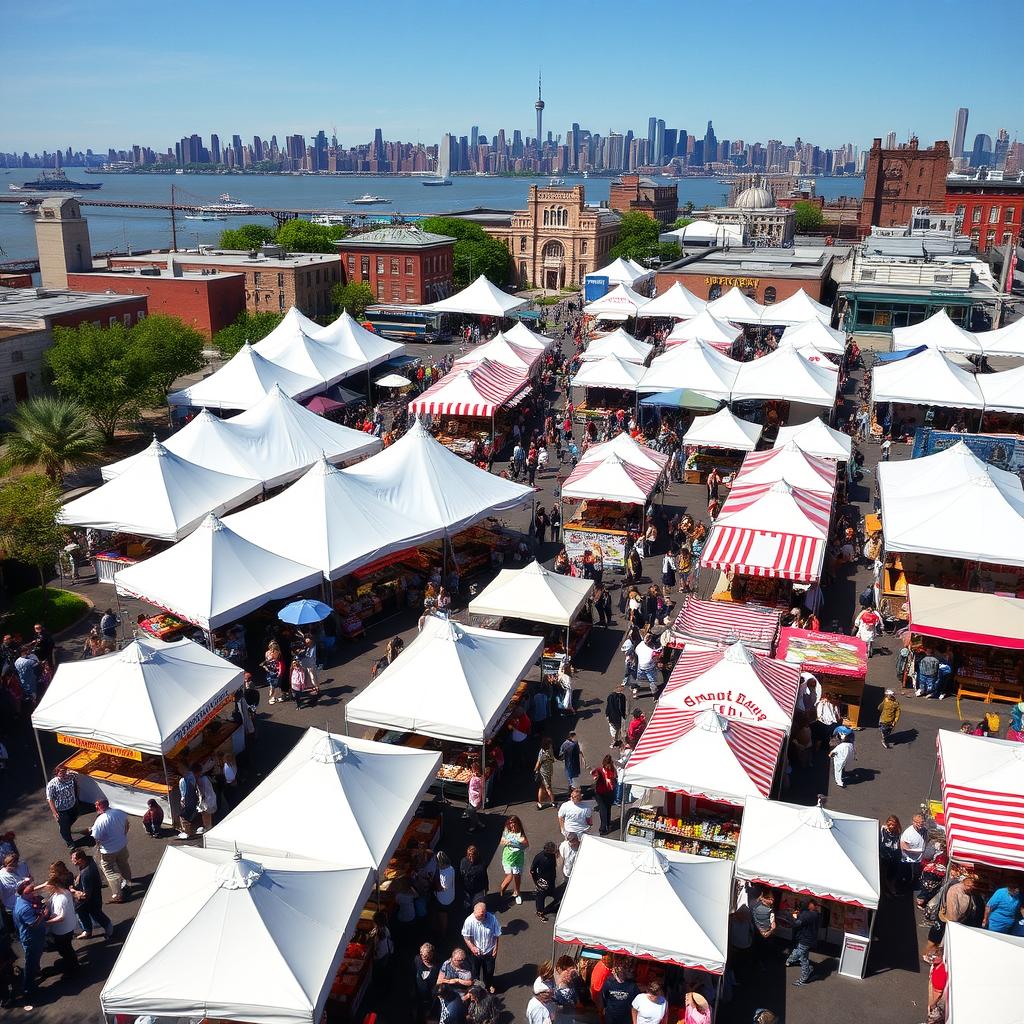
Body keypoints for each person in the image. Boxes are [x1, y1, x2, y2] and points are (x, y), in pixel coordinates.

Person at [38, 861, 79, 975]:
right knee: (66, 948)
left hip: (63, 930)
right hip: (66, 927)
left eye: (49, 887)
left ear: (54, 885)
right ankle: (71, 964)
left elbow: (61, 917)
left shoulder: (62, 898)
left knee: (65, 949)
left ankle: (73, 970)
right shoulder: (61, 893)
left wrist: (46, 923)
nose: (47, 889)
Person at [90, 797, 132, 901]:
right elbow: (127, 825)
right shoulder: (119, 813)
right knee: (124, 864)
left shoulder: (99, 821)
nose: (95, 807)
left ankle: (117, 895)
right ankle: (128, 883)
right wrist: (123, 835)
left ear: (100, 806)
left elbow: (96, 837)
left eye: (96, 805)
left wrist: (99, 846)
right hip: (122, 846)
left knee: (108, 870)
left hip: (108, 850)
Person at [13, 878, 46, 1003]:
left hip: (32, 937)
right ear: (24, 893)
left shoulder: (20, 899)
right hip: (32, 938)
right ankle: (29, 987)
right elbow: (33, 925)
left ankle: (34, 974)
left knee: (33, 960)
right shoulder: (25, 909)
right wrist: (42, 914)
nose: (34, 892)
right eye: (31, 891)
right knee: (30, 963)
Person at [69, 848, 113, 940]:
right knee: (82, 911)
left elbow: (86, 895)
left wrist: (73, 891)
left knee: (96, 914)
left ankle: (109, 930)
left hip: (92, 900)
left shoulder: (87, 874)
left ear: (80, 860)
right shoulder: (88, 861)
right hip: (92, 896)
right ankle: (87, 931)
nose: (72, 861)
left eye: (74, 860)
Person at [461, 901, 501, 992]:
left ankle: (489, 984)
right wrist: (472, 947)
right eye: (477, 916)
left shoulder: (492, 919)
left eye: (480, 916)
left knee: (489, 971)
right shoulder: (469, 921)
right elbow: (466, 937)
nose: (478, 918)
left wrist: (496, 948)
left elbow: (497, 934)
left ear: (485, 913)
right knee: (475, 971)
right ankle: (477, 988)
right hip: (476, 953)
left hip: (489, 950)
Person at [45, 764, 80, 850]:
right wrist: (55, 813)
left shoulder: (71, 777)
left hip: (72, 805)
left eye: (65, 771)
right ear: (57, 773)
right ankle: (69, 841)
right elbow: (50, 799)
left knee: (74, 818)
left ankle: (66, 825)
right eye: (61, 772)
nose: (64, 774)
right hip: (62, 810)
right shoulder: (52, 784)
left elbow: (78, 777)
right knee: (65, 829)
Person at [786, 898, 820, 986]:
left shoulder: (809, 915)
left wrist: (790, 916)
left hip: (805, 939)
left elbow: (796, 923)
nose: (813, 905)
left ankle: (804, 977)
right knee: (803, 957)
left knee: (800, 955)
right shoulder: (813, 914)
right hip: (808, 939)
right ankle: (805, 972)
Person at [498, 815, 528, 904]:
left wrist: (516, 843)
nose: (512, 826)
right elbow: (501, 842)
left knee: (517, 876)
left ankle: (517, 892)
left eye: (514, 824)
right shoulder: (507, 831)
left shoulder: (520, 833)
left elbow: (526, 844)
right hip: (508, 857)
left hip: (518, 858)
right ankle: (502, 889)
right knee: (509, 875)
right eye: (511, 824)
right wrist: (507, 841)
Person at [600, 957, 639, 1024]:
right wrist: (604, 1008)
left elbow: (636, 1002)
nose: (622, 971)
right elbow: (603, 997)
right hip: (610, 1016)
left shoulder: (632, 986)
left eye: (625, 968)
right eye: (620, 968)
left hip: (625, 1018)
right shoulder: (609, 982)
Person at [0, 852, 29, 936]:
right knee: (20, 925)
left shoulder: (22, 865)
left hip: (26, 899)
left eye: (16, 864)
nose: (15, 867)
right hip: (13, 905)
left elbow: (28, 875)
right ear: (6, 864)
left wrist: (27, 880)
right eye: (12, 866)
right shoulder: (1, 877)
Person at [413, 942, 440, 1024]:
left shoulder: (437, 966)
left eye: (427, 956)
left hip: (431, 998)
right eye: (423, 956)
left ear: (432, 954)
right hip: (419, 997)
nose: (425, 958)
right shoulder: (417, 960)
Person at [531, 841, 559, 921]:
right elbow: (532, 870)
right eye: (552, 850)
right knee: (540, 897)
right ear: (547, 850)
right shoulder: (539, 857)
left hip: (551, 878)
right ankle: (540, 912)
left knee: (551, 891)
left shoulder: (552, 855)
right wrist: (536, 882)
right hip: (542, 881)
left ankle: (552, 895)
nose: (554, 851)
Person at [900, 813, 928, 892]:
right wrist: (918, 851)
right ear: (913, 822)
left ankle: (913, 885)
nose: (920, 824)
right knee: (907, 875)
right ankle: (904, 889)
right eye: (917, 822)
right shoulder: (908, 833)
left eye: (922, 822)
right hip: (908, 859)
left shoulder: (924, 830)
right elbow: (903, 847)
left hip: (918, 859)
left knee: (916, 874)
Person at [591, 755, 617, 836]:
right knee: (608, 808)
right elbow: (615, 778)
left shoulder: (599, 770)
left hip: (601, 793)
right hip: (610, 792)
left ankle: (603, 828)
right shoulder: (613, 770)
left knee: (603, 809)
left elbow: (594, 776)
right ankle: (608, 824)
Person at [879, 815, 903, 896]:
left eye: (894, 825)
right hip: (884, 855)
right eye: (890, 825)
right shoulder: (883, 830)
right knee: (883, 873)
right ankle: (884, 890)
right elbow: (881, 841)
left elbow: (897, 844)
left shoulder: (898, 831)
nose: (891, 827)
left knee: (892, 873)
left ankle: (890, 887)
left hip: (894, 855)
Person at [460, 845, 488, 911]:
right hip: (467, 888)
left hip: (478, 889)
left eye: (473, 855)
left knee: (477, 903)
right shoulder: (463, 861)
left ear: (476, 855)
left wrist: (486, 887)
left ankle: (474, 910)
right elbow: (461, 875)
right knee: (467, 900)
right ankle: (468, 907)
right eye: (469, 855)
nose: (471, 858)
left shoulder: (481, 864)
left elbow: (485, 877)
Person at [434, 850, 456, 933]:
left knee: (443, 915)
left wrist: (434, 884)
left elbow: (442, 888)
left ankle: (443, 931)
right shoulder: (451, 868)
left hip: (444, 900)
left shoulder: (444, 874)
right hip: (451, 896)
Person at [177, 764, 201, 840]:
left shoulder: (185, 779)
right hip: (190, 800)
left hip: (188, 800)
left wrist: (183, 800)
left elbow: (185, 792)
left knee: (184, 817)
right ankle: (188, 832)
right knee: (187, 816)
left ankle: (188, 833)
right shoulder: (190, 777)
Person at [535, 737, 556, 810]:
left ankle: (550, 801)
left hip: (544, 772)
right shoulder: (550, 750)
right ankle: (552, 801)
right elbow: (553, 760)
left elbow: (538, 763)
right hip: (549, 771)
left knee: (546, 787)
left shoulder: (542, 752)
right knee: (546, 786)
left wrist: (536, 770)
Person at [196, 767, 218, 833]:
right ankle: (207, 826)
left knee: (207, 813)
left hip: (207, 798)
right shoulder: (202, 779)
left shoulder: (204, 779)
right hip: (205, 798)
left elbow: (206, 790)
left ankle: (209, 827)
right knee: (204, 813)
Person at [466, 760, 485, 833]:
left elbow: (481, 788)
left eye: (472, 768)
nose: (471, 769)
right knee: (472, 811)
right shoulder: (475, 776)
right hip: (472, 796)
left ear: (476, 769)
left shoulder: (480, 778)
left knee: (471, 811)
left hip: (476, 798)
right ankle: (477, 822)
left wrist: (480, 798)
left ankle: (475, 824)